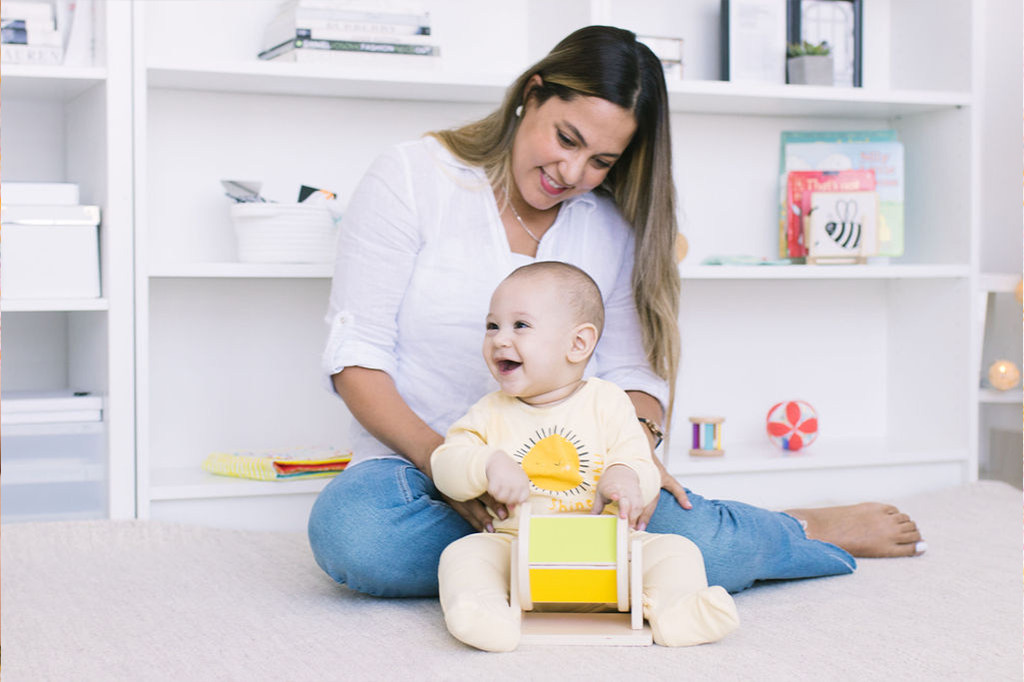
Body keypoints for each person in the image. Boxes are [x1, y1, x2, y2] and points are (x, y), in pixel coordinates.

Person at [308, 25, 925, 600]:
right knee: (356, 534)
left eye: (602, 161)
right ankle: (587, 563)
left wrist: (635, 454)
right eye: (567, 138)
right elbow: (356, 355)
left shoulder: (609, 225)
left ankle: (794, 528)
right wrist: (453, 470)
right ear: (533, 94)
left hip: (579, 486)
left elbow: (636, 373)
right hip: (424, 472)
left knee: (681, 539)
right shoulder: (415, 178)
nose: (572, 173)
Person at [431, 262, 739, 651]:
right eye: (492, 326)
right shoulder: (488, 411)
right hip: (518, 551)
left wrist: (625, 476)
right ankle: (484, 612)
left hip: (610, 551)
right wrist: (485, 464)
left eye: (519, 326)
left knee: (678, 551)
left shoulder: (608, 402)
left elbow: (639, 461)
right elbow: (446, 464)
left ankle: (677, 609)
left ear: (578, 344)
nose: (499, 339)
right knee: (465, 554)